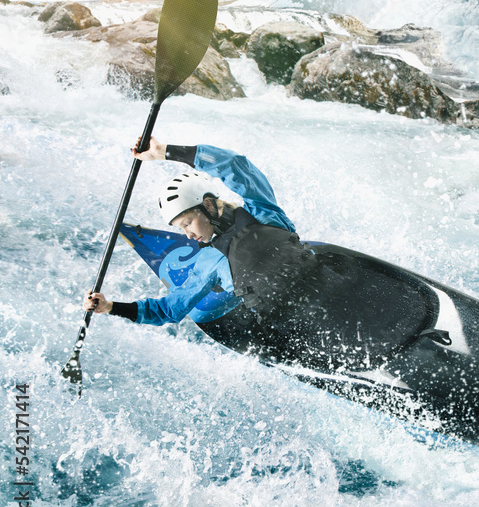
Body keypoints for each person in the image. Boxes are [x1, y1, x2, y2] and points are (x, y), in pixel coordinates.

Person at [84, 137, 431, 371]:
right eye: (180, 229)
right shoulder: (207, 265)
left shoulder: (262, 211)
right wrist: (112, 307)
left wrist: (167, 152)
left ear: (208, 206)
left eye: (188, 221)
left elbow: (235, 166)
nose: (188, 234)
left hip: (345, 297)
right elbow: (169, 310)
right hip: (312, 334)